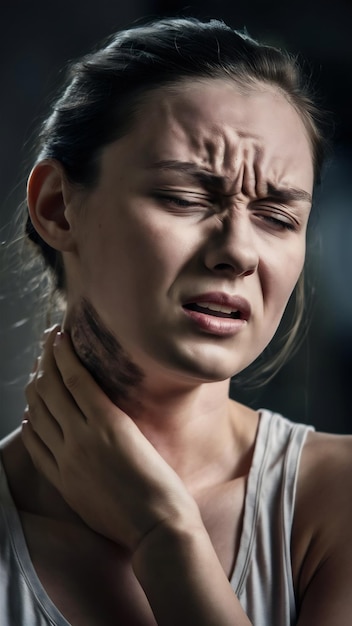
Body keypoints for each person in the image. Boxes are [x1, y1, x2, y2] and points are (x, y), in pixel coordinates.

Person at [0, 16, 351, 626]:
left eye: (277, 216)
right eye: (185, 197)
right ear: (58, 208)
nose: (239, 252)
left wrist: (163, 534)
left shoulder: (336, 501)